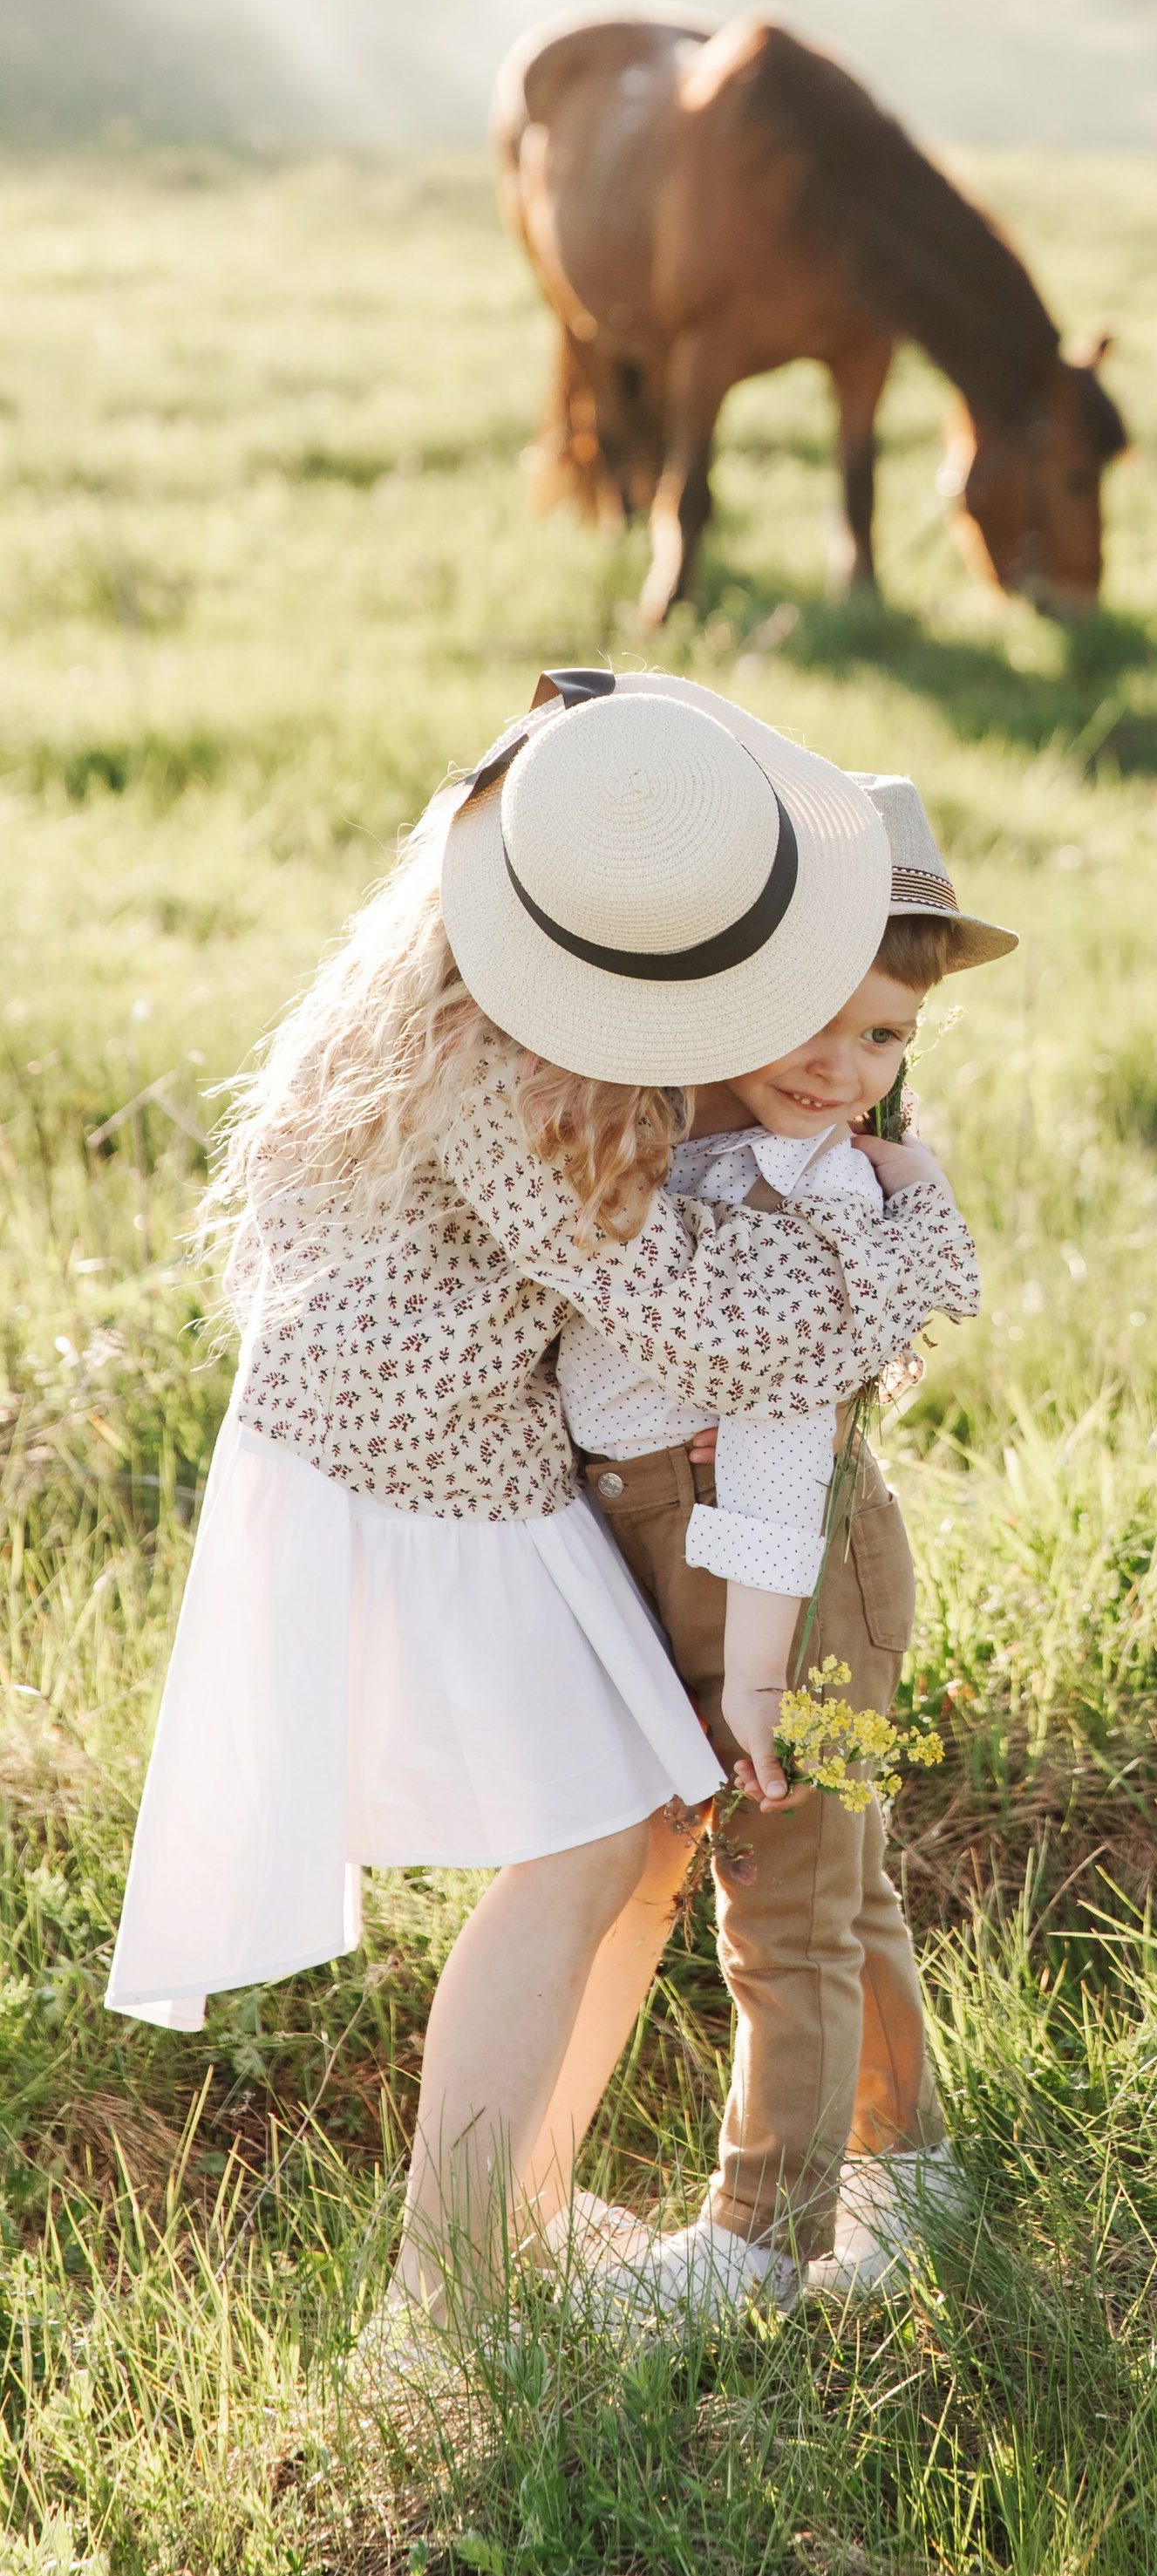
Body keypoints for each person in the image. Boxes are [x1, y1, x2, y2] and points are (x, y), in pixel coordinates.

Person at [105, 668, 979, 2343]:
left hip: (417, 1448)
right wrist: (913, 1235)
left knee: (674, 1826)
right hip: (436, 1470)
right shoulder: (535, 1073)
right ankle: (453, 2290)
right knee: (598, 1835)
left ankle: (521, 2221)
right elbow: (721, 1328)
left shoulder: (446, 986)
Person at [560, 775, 1016, 2320]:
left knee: (786, 1899)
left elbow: (767, 1420)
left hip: (787, 1574)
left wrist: (757, 1665)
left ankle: (757, 2240)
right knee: (839, 1884)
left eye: (885, 1035)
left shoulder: (803, 1192)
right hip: (703, 1553)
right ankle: (917, 2168)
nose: (845, 1066)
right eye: (816, 1017)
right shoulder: (694, 1136)